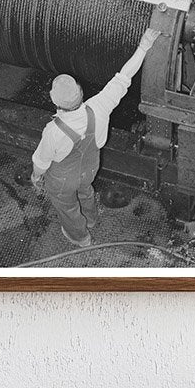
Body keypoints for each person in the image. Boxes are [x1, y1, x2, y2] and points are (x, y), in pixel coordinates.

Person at [31, 27, 162, 248]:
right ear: (81, 92)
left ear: (54, 101)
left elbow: (41, 162)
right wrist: (144, 46)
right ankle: (91, 219)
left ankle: (80, 237)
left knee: (68, 207)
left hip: (63, 180)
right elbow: (124, 77)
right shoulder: (100, 106)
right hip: (90, 168)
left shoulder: (53, 131)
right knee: (86, 191)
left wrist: (36, 177)